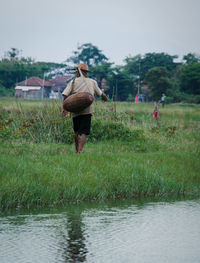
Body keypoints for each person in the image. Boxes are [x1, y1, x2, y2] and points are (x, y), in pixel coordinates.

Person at [62, 63, 107, 154]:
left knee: (76, 131)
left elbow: (65, 95)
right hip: (87, 110)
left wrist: (65, 108)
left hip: (75, 111)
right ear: (86, 72)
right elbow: (101, 94)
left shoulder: (73, 82)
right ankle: (79, 151)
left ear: (78, 72)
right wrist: (104, 98)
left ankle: (76, 150)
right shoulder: (92, 82)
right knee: (84, 132)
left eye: (76, 72)